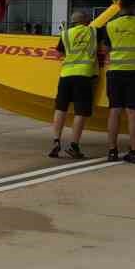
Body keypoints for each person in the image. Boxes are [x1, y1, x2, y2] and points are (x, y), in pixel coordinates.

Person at [48, 10, 101, 159]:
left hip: (66, 75)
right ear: (86, 21)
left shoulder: (65, 34)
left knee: (60, 109)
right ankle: (74, 146)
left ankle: (56, 141)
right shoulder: (94, 32)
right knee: (80, 112)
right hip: (84, 76)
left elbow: (58, 54)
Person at [104, 0, 135, 163]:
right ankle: (134, 152)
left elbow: (106, 49)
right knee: (133, 113)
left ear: (120, 7)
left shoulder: (110, 25)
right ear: (133, 7)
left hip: (116, 71)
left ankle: (112, 151)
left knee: (114, 111)